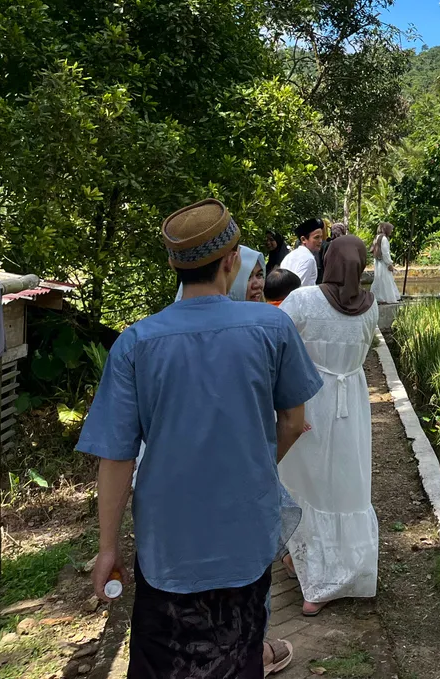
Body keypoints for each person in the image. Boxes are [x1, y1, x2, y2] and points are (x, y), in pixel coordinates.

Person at [77, 199, 323, 679]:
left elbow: (116, 456)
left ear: (174, 266)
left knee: (164, 660)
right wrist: (255, 463)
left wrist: (109, 548)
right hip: (244, 531)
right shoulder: (272, 328)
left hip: (167, 543)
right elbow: (294, 422)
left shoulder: (136, 342)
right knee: (238, 654)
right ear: (232, 260)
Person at [278, 236, 380, 616]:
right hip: (351, 402)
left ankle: (314, 582)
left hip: (309, 401)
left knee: (310, 483)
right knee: (345, 484)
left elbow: (276, 341)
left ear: (327, 261)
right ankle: (330, 570)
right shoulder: (371, 309)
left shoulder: (303, 300)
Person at [283, 219, 324, 287]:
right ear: (303, 239)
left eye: (321, 237)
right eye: (316, 237)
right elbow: (298, 287)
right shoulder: (309, 259)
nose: (320, 241)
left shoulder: (289, 256)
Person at [370, 223, 400, 305]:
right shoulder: (384, 239)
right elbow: (385, 253)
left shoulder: (377, 237)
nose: (391, 232)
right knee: (386, 280)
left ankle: (378, 297)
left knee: (379, 279)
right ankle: (388, 298)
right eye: (390, 230)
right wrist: (389, 264)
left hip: (378, 262)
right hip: (383, 262)